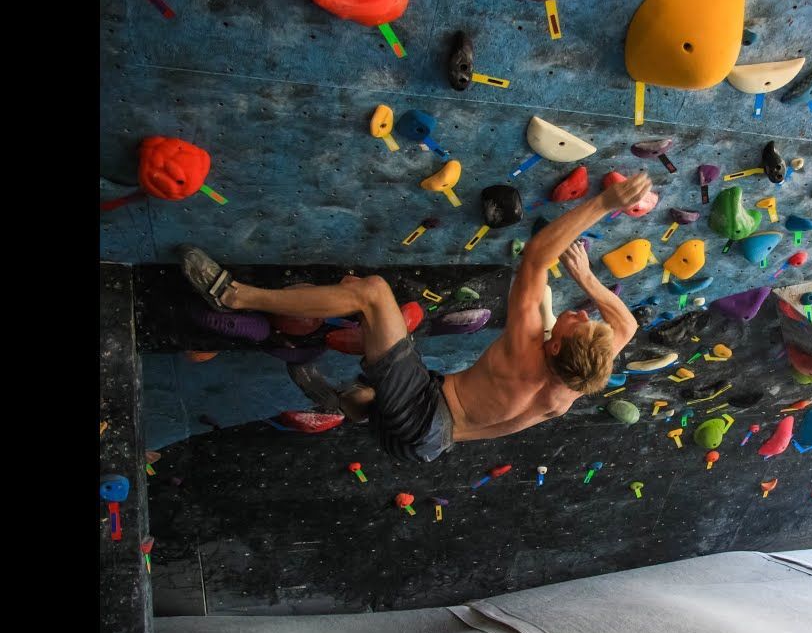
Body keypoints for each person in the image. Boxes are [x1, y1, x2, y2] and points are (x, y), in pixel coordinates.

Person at [176, 172, 652, 463]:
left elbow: (535, 256)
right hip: (427, 447)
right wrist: (589, 280)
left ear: (551, 347)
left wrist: (605, 204)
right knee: (372, 389)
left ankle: (235, 296)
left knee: (373, 295)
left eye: (574, 324)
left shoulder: (527, 347)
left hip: (422, 414)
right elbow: (626, 328)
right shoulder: (574, 383)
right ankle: (351, 402)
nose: (574, 313)